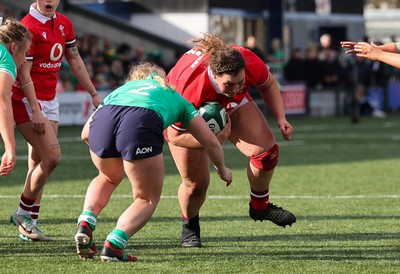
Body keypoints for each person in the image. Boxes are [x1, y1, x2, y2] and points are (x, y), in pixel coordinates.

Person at [74, 62, 232, 262]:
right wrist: (222, 169)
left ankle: (86, 221)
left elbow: (85, 134)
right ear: (161, 78)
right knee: (146, 198)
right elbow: (209, 140)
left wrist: (112, 149)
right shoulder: (172, 93)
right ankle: (114, 244)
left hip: (105, 119)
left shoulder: (120, 90)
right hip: (141, 121)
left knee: (107, 177)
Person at [165, 33, 296, 248]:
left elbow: (268, 84)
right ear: (215, 75)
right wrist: (214, 140)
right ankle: (190, 226)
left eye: (241, 82)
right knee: (196, 185)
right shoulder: (188, 89)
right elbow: (174, 136)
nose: (236, 89)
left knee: (266, 152)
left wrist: (281, 118)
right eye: (229, 85)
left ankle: (260, 206)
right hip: (187, 116)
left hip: (221, 104)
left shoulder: (247, 59)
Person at [10, 0, 102, 242]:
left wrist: (92, 92)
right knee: (52, 158)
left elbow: (74, 59)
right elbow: (24, 73)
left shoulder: (64, 23)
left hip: (50, 100)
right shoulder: (27, 27)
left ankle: (30, 226)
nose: (49, 1)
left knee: (38, 162)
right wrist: (36, 109)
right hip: (27, 101)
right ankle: (22, 213)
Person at [0, 18, 31, 176]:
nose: (25, 60)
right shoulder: (6, 60)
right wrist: (10, 148)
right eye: (25, 53)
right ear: (13, 47)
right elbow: (2, 100)